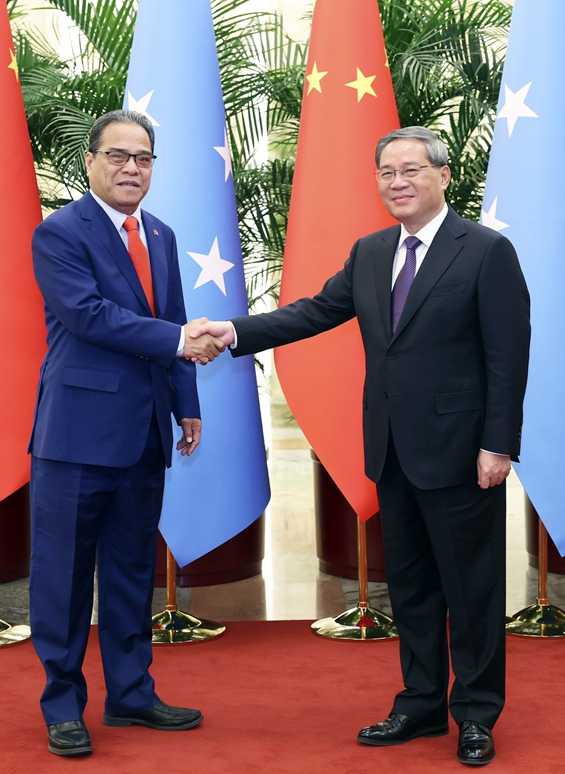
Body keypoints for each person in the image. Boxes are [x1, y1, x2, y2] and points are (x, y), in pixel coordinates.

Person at [192, 126, 529, 767]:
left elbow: (507, 358)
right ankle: (421, 703)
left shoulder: (486, 251)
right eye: (387, 173)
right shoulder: (371, 252)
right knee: (412, 588)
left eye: (411, 170)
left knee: (472, 591)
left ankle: (476, 713)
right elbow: (315, 311)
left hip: (461, 453)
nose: (398, 183)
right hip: (393, 451)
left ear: (443, 176)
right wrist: (234, 331)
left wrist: (498, 445)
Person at [28, 109, 223, 757]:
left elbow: (174, 317)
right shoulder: (60, 232)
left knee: (132, 571)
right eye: (117, 155)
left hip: (144, 434)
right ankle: (63, 705)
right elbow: (88, 316)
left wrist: (186, 402)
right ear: (90, 162)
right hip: (76, 438)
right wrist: (180, 342)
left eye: (143, 158)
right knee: (63, 577)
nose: (131, 168)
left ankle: (132, 694)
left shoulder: (160, 234)